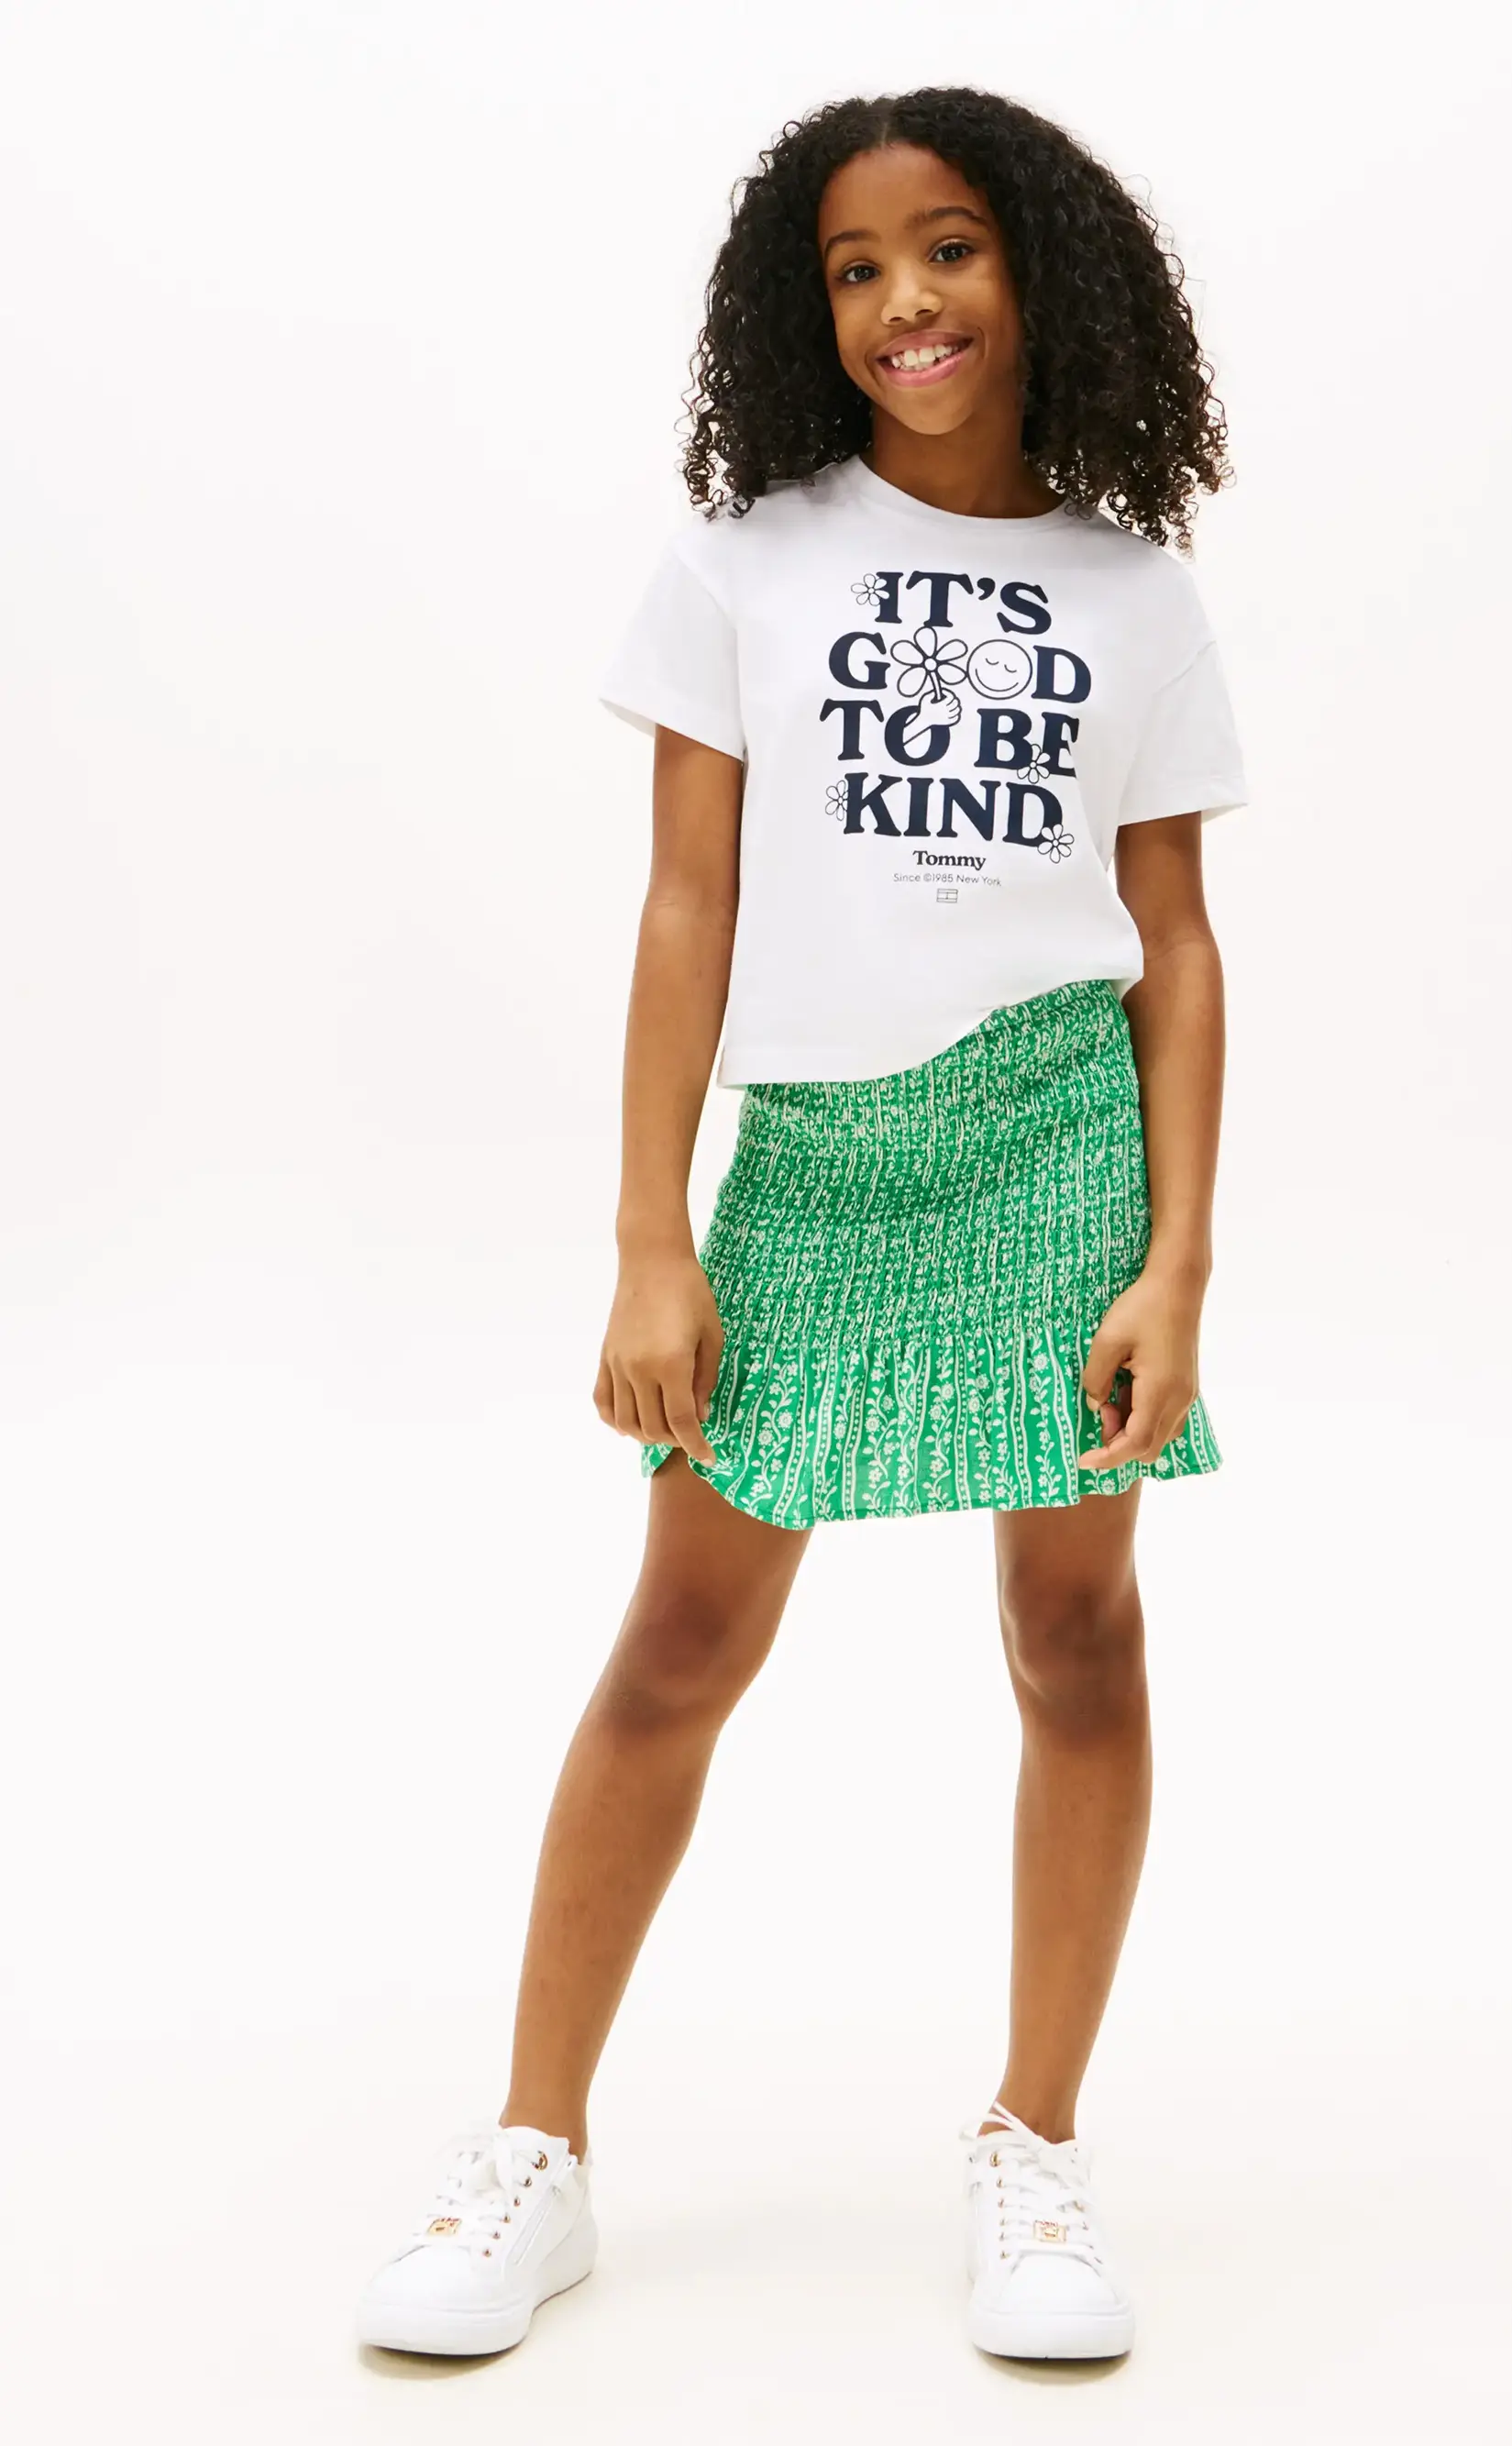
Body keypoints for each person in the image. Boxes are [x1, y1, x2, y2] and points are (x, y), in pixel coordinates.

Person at [355, 83, 1249, 2366]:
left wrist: (1177, 1259)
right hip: (814, 1165)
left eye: (945, 249)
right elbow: (686, 904)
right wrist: (652, 1238)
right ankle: (534, 2148)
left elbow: (1174, 939)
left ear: (1039, 272)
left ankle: (1033, 2143)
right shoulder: (745, 564)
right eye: (854, 269)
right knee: (679, 1640)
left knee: (1075, 1637)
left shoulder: (1136, 593)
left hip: (1055, 1139)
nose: (901, 302)